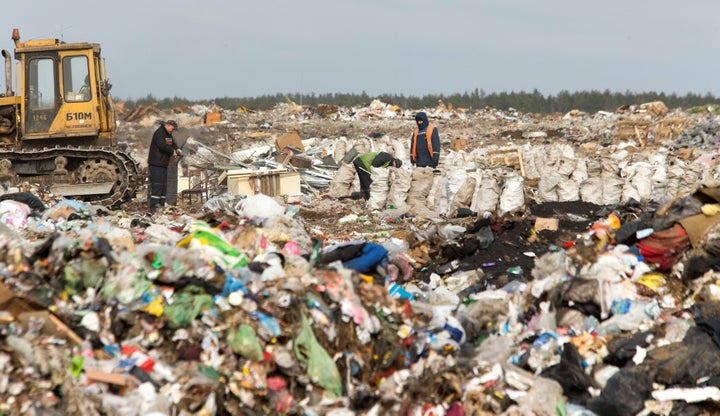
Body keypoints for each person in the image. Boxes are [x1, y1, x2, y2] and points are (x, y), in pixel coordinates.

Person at [147, 120, 182, 211]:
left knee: (163, 185)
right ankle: (154, 206)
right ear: (168, 125)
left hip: (163, 164)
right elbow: (162, 146)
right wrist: (172, 151)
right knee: (157, 185)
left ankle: (161, 204)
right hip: (156, 164)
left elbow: (172, 142)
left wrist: (177, 149)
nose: (172, 131)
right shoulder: (159, 133)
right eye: (172, 129)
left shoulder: (168, 134)